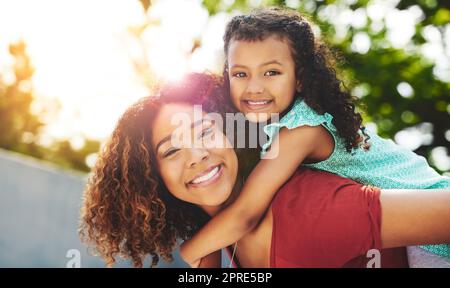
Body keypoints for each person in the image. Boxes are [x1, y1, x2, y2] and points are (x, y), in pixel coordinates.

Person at [79, 73, 450, 268]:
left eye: (206, 131)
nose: (196, 154)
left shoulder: (306, 211)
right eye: (171, 149)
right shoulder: (225, 240)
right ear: (151, 177)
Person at [179, 8, 450, 267]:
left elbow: (247, 213)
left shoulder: (301, 129)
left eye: (271, 72)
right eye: (240, 74)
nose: (254, 87)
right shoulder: (270, 127)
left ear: (300, 78)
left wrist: (190, 250)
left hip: (432, 228)